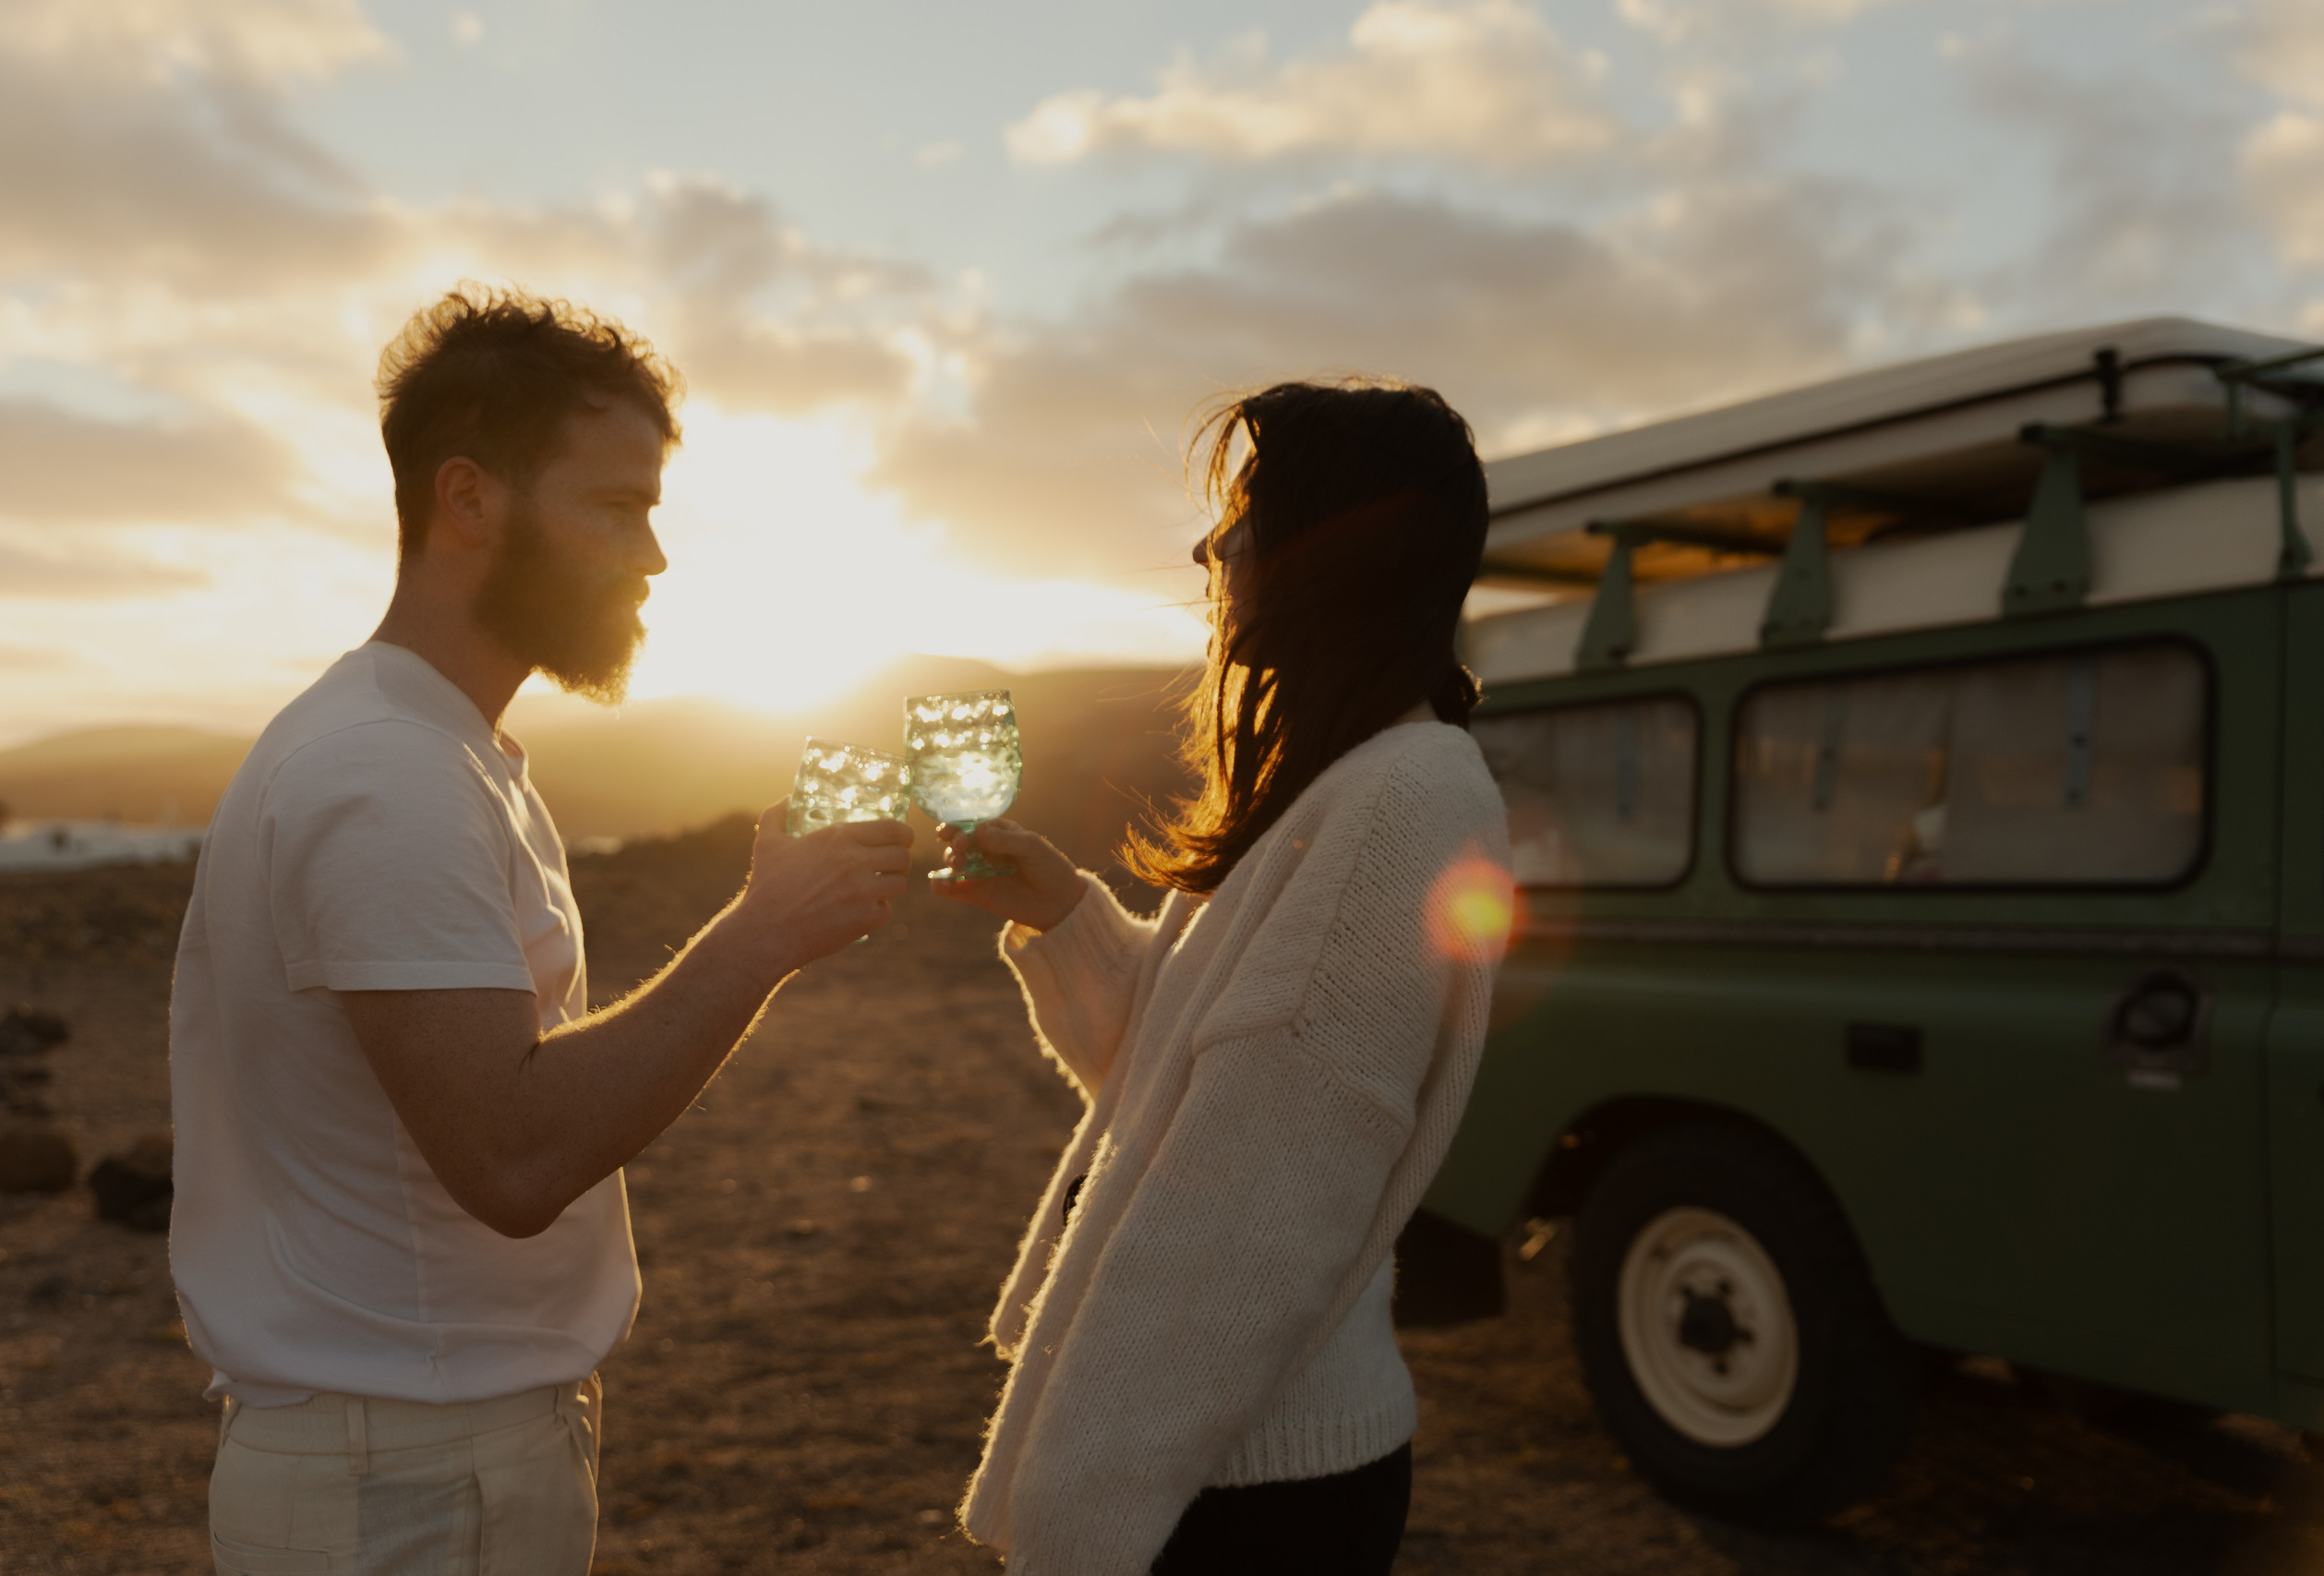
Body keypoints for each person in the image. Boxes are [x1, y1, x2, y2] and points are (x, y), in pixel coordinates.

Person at [168, 287, 912, 1576]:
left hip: (419, 1448)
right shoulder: (388, 770)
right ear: (470, 501)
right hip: (403, 1478)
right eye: (616, 507)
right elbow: (511, 1155)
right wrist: (758, 937)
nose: (653, 556)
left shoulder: (439, 748)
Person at [936, 379, 1513, 1575]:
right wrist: (1070, 920)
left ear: (1339, 550)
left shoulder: (1399, 797)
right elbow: (1185, 1089)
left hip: (1243, 1492)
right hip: (1228, 1464)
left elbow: (1251, 1212)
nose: (1215, 546)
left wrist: (1074, 1529)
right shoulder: (1340, 782)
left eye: (1251, 509)